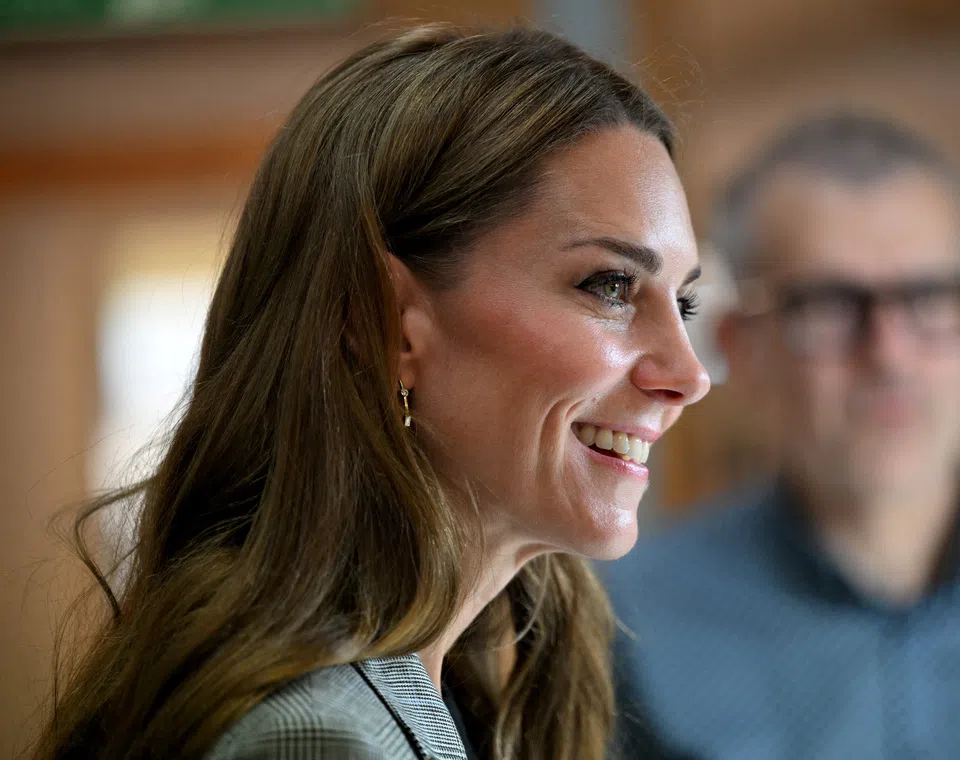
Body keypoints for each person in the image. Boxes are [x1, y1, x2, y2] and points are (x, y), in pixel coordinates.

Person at [33, 24, 710, 760]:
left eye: (685, 305)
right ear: (387, 323)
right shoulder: (321, 739)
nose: (688, 375)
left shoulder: (453, 692)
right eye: (610, 286)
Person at [604, 112, 960, 759]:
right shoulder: (626, 625)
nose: (889, 356)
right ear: (740, 349)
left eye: (929, 298)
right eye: (829, 306)